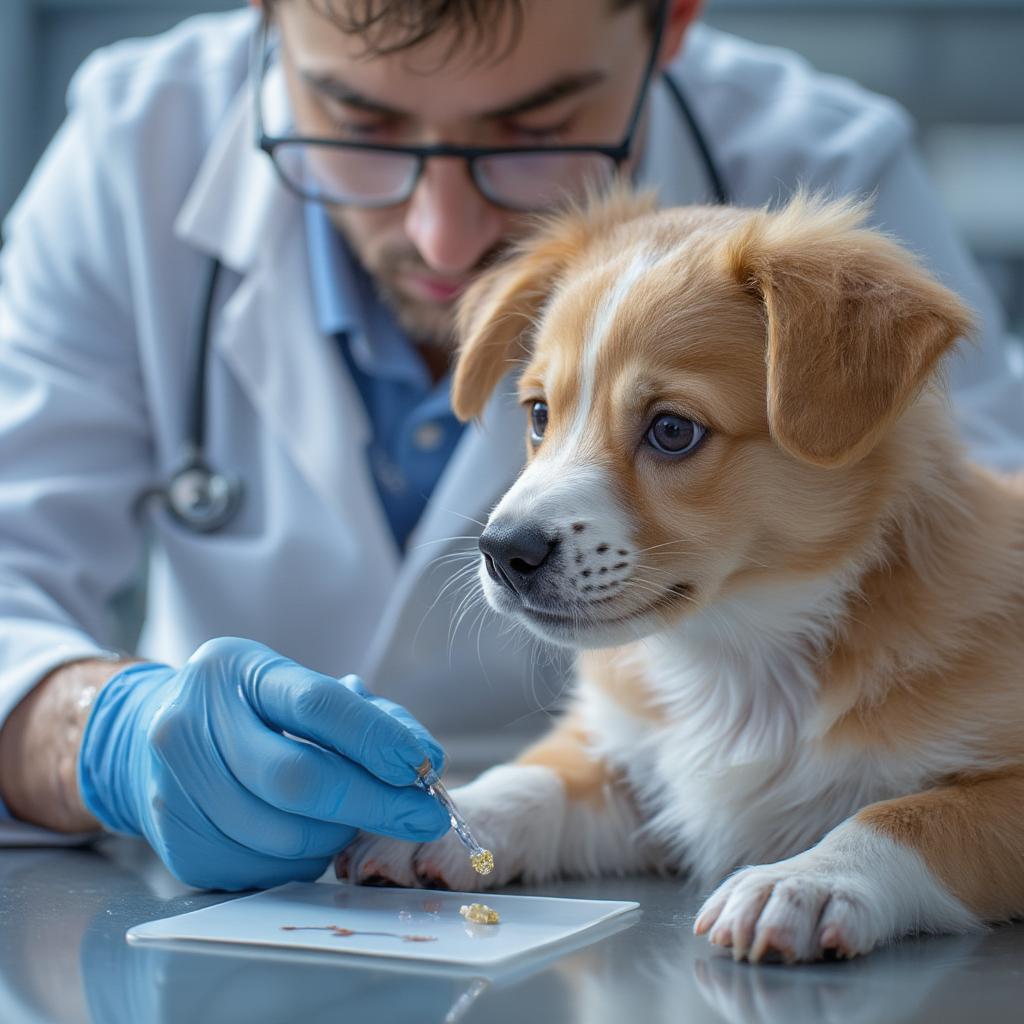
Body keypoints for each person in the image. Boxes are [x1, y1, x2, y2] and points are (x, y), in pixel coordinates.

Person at [0, 0, 1020, 890]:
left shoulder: (833, 164)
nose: (445, 240)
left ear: (670, 19)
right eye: (360, 122)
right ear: (261, 13)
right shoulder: (132, 140)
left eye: (535, 126)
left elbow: (969, 543)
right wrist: (101, 732)